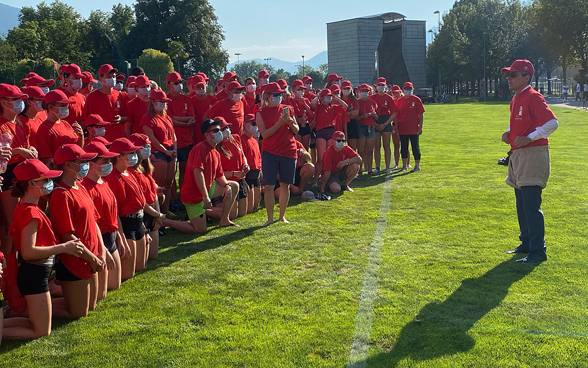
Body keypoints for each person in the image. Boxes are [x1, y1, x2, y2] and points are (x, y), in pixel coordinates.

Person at [2, 160, 88, 339]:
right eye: (44, 180)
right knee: (41, 331)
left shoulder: (28, 207)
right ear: (32, 183)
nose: (50, 184)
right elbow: (28, 251)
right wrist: (64, 247)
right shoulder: (30, 212)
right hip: (34, 274)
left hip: (36, 272)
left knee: (36, 323)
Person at [501, 59, 558, 263]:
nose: (508, 78)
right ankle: (526, 243)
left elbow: (552, 122)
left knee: (531, 204)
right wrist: (509, 132)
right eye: (508, 74)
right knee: (522, 204)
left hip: (533, 154)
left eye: (513, 75)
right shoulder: (516, 98)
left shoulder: (534, 97)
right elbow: (516, 121)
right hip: (519, 154)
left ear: (526, 77)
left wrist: (529, 137)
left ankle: (538, 251)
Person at [50, 144, 106, 318]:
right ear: (67, 165)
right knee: (79, 313)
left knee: (92, 305)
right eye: (81, 161)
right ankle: (32, 309)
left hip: (90, 255)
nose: (86, 165)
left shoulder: (79, 186)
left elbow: (94, 221)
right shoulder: (61, 194)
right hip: (75, 260)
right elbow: (67, 234)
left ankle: (44, 303)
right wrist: (91, 258)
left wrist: (101, 251)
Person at [162, 118, 239, 233]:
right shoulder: (200, 148)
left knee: (234, 186)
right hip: (193, 194)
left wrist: (227, 185)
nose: (220, 132)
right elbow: (198, 173)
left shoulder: (215, 152)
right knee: (200, 229)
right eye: (216, 130)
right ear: (207, 135)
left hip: (207, 189)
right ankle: (165, 221)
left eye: (219, 129)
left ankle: (224, 220)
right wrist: (205, 196)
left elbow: (219, 175)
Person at [106, 138, 165, 278]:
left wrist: (144, 227)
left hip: (139, 221)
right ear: (119, 156)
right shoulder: (113, 177)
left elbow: (140, 201)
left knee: (141, 266)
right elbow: (116, 212)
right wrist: (120, 237)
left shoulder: (130, 172)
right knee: (128, 274)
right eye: (131, 152)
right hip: (127, 223)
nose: (135, 155)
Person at [81, 141, 126, 293]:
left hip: (111, 236)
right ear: (91, 164)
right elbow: (91, 223)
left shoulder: (104, 181)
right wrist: (103, 251)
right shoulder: (85, 187)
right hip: (100, 240)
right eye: (104, 161)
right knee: (99, 293)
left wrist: (120, 237)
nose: (109, 164)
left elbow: (115, 212)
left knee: (114, 285)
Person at [256, 82, 299, 226]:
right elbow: (265, 134)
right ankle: (269, 218)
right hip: (270, 152)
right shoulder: (260, 112)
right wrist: (280, 122)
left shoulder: (288, 109)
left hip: (289, 150)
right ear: (267, 96)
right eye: (276, 94)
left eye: (280, 94)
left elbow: (297, 130)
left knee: (285, 185)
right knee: (269, 186)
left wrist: (291, 123)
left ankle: (282, 216)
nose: (279, 97)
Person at [140, 89, 177, 215]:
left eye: (164, 102)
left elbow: (173, 135)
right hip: (158, 153)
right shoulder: (147, 118)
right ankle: (156, 213)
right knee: (159, 185)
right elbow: (152, 139)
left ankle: (166, 211)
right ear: (153, 102)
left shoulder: (166, 117)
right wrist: (165, 151)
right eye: (160, 101)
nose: (163, 104)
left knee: (169, 183)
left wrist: (174, 149)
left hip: (171, 151)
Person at [166, 72, 195, 211]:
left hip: (187, 140)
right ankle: (174, 199)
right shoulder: (166, 100)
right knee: (172, 172)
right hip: (172, 140)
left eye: (179, 83)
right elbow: (169, 119)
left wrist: (178, 119)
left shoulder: (186, 99)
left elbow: (192, 117)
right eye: (176, 83)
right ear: (169, 85)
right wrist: (184, 122)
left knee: (184, 170)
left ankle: (182, 197)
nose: (179, 86)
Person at [129, 133, 161, 260]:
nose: (147, 148)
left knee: (153, 256)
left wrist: (158, 215)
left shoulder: (146, 168)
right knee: (143, 259)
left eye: (148, 145)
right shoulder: (131, 172)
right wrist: (157, 215)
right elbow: (139, 201)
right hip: (141, 213)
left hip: (152, 212)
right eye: (143, 146)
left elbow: (154, 195)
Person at [311, 88, 348, 186]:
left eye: (329, 96)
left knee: (328, 157)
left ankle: (326, 178)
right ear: (322, 97)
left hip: (330, 130)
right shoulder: (319, 107)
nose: (329, 98)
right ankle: (315, 180)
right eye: (327, 96)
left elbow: (345, 106)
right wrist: (318, 96)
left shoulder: (333, 107)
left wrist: (336, 98)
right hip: (321, 131)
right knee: (321, 158)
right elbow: (312, 104)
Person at [36, 90, 84, 165]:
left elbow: (78, 150)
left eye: (66, 105)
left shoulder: (65, 124)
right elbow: (46, 159)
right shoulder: (44, 128)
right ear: (51, 107)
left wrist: (81, 136)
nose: (66, 108)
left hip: (74, 169)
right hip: (61, 172)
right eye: (62, 105)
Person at [83, 64, 127, 142]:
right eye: (109, 76)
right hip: (101, 140)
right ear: (101, 78)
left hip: (118, 139)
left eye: (113, 76)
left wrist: (121, 118)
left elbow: (126, 117)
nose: (112, 79)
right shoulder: (93, 97)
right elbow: (86, 120)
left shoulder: (120, 95)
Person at [216, 118, 249, 218]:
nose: (226, 130)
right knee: (233, 215)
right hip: (229, 181)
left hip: (241, 179)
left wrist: (246, 165)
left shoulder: (236, 138)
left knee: (244, 212)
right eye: (223, 129)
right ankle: (205, 211)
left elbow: (243, 155)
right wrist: (234, 173)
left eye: (227, 127)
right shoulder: (217, 148)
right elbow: (217, 173)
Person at [370, 77, 398, 174]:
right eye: (379, 85)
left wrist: (386, 124)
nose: (381, 87)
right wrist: (375, 124)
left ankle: (387, 167)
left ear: (385, 86)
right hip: (376, 121)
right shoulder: (372, 98)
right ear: (376, 86)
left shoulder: (388, 98)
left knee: (387, 146)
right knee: (376, 146)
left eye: (382, 85)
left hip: (386, 120)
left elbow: (394, 113)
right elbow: (369, 112)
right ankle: (377, 167)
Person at [395, 82, 424, 172]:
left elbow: (421, 114)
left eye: (410, 89)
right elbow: (396, 115)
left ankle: (417, 165)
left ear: (412, 90)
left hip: (414, 128)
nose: (408, 91)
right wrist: (396, 127)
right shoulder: (399, 101)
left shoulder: (416, 100)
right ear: (403, 90)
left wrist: (420, 127)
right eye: (406, 89)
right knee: (404, 147)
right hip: (403, 128)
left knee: (415, 146)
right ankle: (404, 165)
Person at [241, 114, 262, 213]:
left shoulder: (254, 141)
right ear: (245, 124)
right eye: (252, 123)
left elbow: (258, 158)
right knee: (249, 208)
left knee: (255, 206)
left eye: (256, 124)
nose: (255, 126)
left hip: (256, 173)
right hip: (248, 174)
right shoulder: (241, 140)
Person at [189, 74, 216, 145]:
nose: (201, 89)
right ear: (193, 87)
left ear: (206, 85)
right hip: (198, 135)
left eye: (202, 86)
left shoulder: (213, 100)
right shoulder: (191, 101)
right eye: (198, 86)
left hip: (212, 134)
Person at [356, 84, 377, 175]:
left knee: (370, 150)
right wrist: (361, 116)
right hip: (361, 126)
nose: (365, 93)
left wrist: (374, 115)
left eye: (366, 91)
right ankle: (360, 169)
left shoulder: (372, 102)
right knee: (361, 150)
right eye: (363, 91)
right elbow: (354, 118)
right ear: (359, 92)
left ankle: (369, 169)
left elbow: (376, 117)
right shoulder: (357, 102)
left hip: (370, 126)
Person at [390, 85, 406, 169]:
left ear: (400, 92)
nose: (396, 94)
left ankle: (407, 163)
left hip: (403, 125)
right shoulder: (392, 102)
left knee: (405, 145)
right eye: (394, 93)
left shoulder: (404, 101)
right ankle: (396, 164)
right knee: (396, 145)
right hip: (395, 124)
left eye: (397, 92)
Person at [341, 80, 360, 152]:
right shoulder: (339, 100)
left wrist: (346, 113)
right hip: (340, 124)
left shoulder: (353, 100)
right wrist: (349, 113)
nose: (346, 90)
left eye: (348, 89)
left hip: (352, 124)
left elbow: (355, 114)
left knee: (352, 149)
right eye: (344, 89)